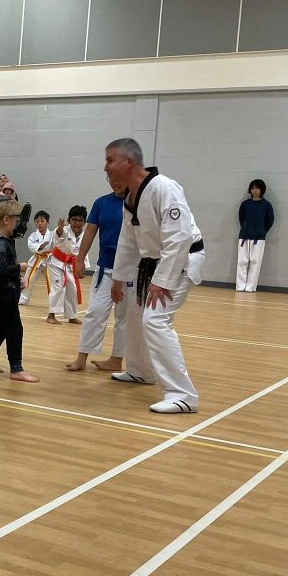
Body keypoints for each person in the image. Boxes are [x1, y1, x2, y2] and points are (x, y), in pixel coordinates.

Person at [106, 137, 204, 414]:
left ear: (129, 161)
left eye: (110, 160)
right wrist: (118, 277)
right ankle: (140, 371)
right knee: (136, 316)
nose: (106, 167)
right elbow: (128, 242)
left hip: (182, 259)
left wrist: (162, 281)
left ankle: (183, 395)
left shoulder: (164, 188)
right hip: (152, 262)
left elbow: (181, 237)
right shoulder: (130, 198)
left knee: (155, 319)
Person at [66, 181, 128, 372]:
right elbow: (90, 232)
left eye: (120, 179)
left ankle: (116, 359)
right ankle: (81, 357)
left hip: (130, 270)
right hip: (105, 269)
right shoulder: (101, 203)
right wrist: (80, 259)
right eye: (111, 179)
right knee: (95, 312)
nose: (116, 183)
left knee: (124, 317)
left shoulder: (137, 202)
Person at [0, 199, 39, 382]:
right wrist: (20, 267)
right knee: (14, 329)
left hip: (6, 291)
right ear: (6, 220)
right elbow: (3, 268)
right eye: (17, 219)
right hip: (2, 295)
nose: (19, 224)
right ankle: (16, 368)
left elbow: (4, 270)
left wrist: (17, 279)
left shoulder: (5, 241)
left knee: (0, 327)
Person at [46, 206, 88, 325]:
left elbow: (84, 252)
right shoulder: (64, 230)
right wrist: (59, 228)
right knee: (58, 287)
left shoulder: (84, 235)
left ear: (84, 222)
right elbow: (59, 234)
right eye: (74, 220)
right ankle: (51, 315)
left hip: (70, 264)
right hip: (56, 263)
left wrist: (82, 267)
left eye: (80, 220)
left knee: (72, 289)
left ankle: (72, 316)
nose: (77, 223)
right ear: (69, 221)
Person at [236, 178, 274, 292]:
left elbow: (269, 221)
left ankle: (250, 287)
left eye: (257, 188)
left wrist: (261, 231)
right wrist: (246, 229)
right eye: (253, 188)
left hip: (259, 238)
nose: (255, 190)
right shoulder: (245, 204)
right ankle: (240, 286)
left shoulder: (266, 205)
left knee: (255, 262)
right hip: (244, 236)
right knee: (242, 261)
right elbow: (241, 218)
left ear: (262, 190)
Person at [18, 210, 52, 306]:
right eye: (37, 221)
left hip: (49, 259)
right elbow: (31, 246)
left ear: (47, 222)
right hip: (37, 259)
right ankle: (23, 299)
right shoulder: (33, 236)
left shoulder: (52, 235)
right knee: (28, 278)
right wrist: (41, 246)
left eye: (42, 221)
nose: (39, 223)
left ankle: (54, 303)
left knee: (52, 281)